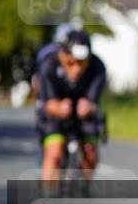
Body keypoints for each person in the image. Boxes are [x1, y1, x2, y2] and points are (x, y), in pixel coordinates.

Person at [36, 29, 107, 194]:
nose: (77, 69)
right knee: (54, 152)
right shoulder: (49, 65)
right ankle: (48, 203)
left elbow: (95, 102)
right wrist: (59, 107)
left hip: (84, 115)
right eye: (71, 63)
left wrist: (89, 107)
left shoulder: (98, 67)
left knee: (90, 153)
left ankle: (83, 191)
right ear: (62, 55)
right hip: (56, 112)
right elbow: (47, 103)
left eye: (82, 63)